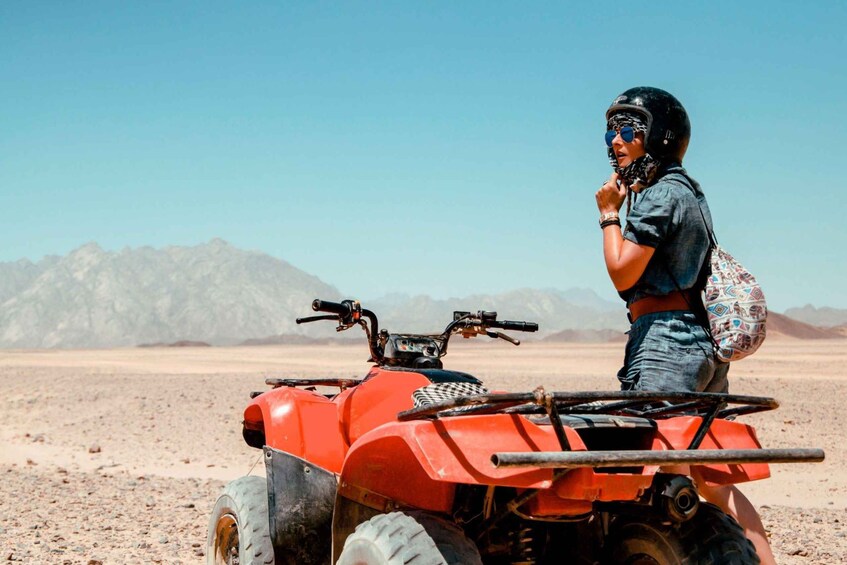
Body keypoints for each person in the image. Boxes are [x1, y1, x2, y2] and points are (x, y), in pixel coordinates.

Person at [594, 86, 775, 564]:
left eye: (629, 129)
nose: (615, 139)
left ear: (660, 136)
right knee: (712, 482)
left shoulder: (659, 195)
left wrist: (609, 214)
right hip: (698, 345)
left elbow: (622, 270)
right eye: (611, 129)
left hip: (667, 344)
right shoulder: (688, 191)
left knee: (665, 479)